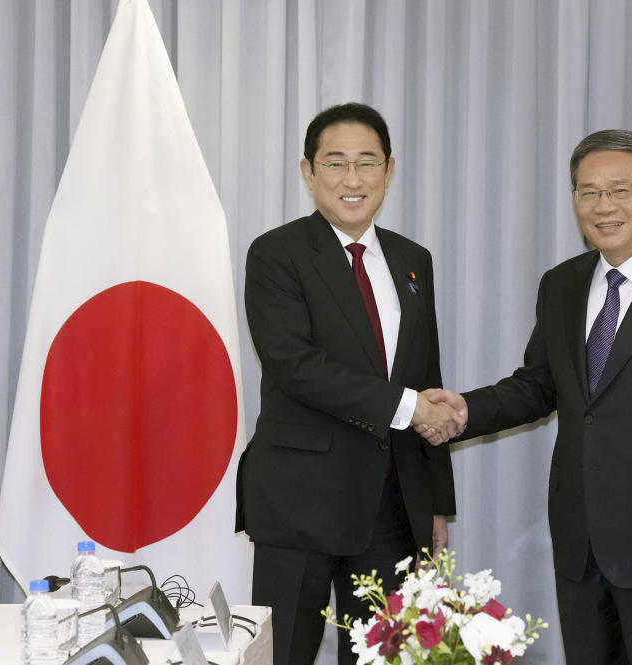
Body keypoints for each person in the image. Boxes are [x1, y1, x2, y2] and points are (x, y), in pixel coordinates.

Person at [419, 130, 632, 665]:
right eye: (588, 192)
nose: (603, 206)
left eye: (619, 190)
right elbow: (538, 385)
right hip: (580, 538)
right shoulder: (562, 285)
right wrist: (466, 409)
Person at [237, 102, 464, 665]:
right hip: (300, 505)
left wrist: (435, 503)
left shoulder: (415, 261)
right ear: (307, 171)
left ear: (389, 170)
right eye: (335, 163)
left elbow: (425, 377)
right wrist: (410, 408)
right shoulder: (277, 254)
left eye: (367, 163)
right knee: (284, 653)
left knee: (385, 657)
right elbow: (296, 365)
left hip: (391, 509)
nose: (353, 179)